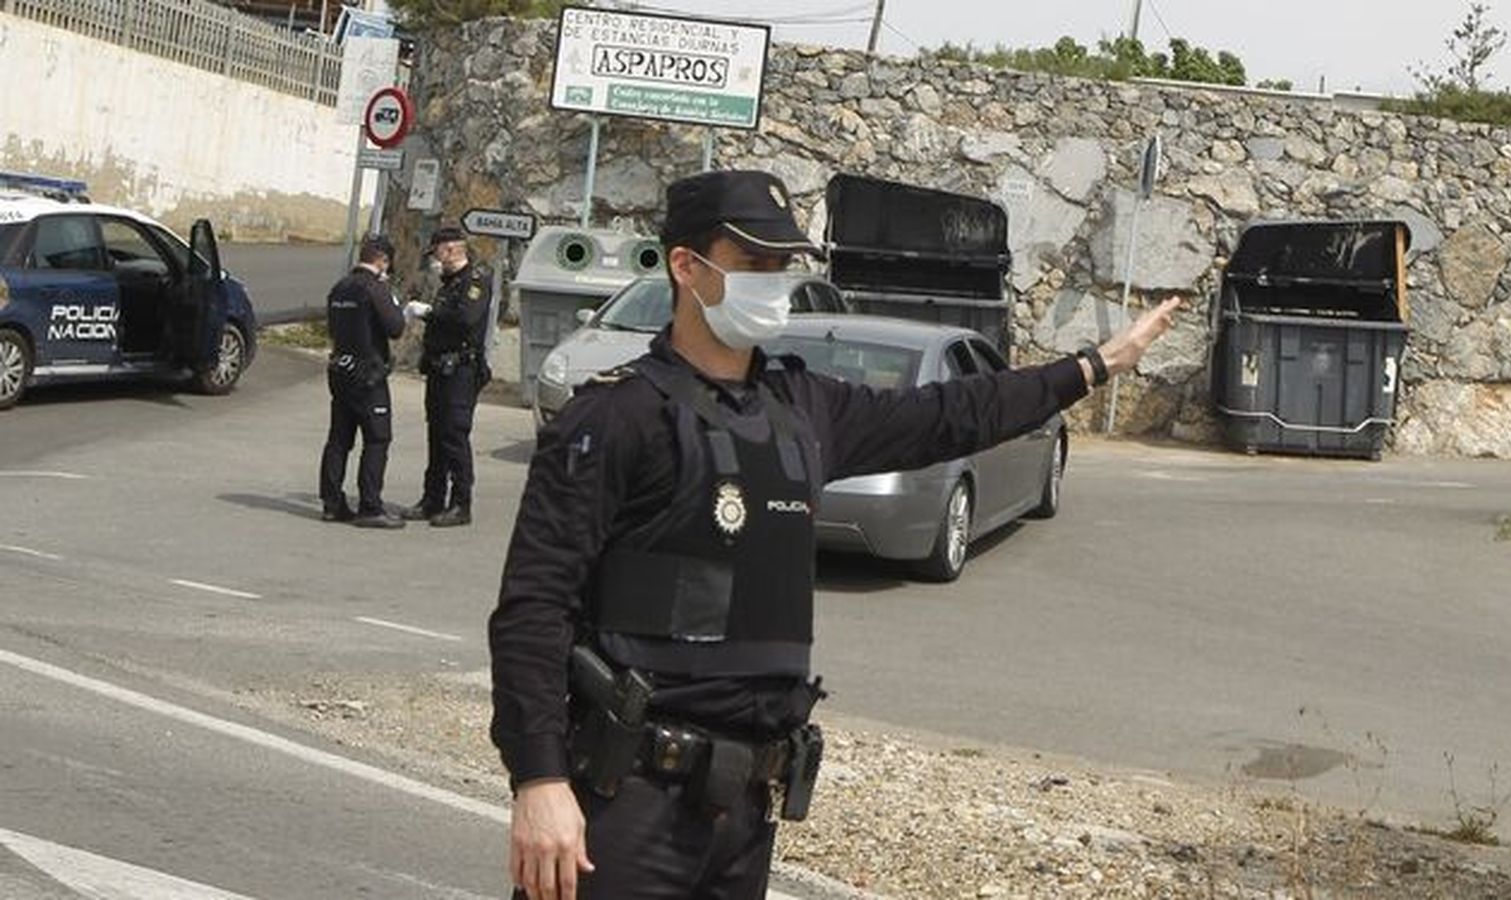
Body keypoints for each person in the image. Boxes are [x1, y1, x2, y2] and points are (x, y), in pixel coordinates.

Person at [488, 170, 1182, 900]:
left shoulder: (802, 409)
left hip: (743, 812)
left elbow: (952, 413)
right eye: (754, 263)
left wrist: (1095, 366)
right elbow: (533, 609)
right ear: (686, 267)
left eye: (784, 265)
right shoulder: (618, 418)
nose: (774, 282)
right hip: (626, 804)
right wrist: (538, 779)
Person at [401, 227, 494, 528]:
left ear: (452, 249)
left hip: (461, 372)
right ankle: (432, 499)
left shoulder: (474, 282)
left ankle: (460, 503)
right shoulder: (450, 283)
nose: (436, 259)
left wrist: (428, 312)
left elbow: (466, 319)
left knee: (454, 435)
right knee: (437, 435)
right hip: (440, 369)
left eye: (438, 252)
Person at [318, 234, 407, 529]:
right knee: (377, 438)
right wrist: (397, 305)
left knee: (339, 439)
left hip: (340, 369)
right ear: (382, 261)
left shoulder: (339, 287)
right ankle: (370, 506)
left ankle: (332, 503)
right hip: (368, 375)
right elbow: (395, 328)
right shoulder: (375, 289)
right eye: (387, 265)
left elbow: (332, 329)